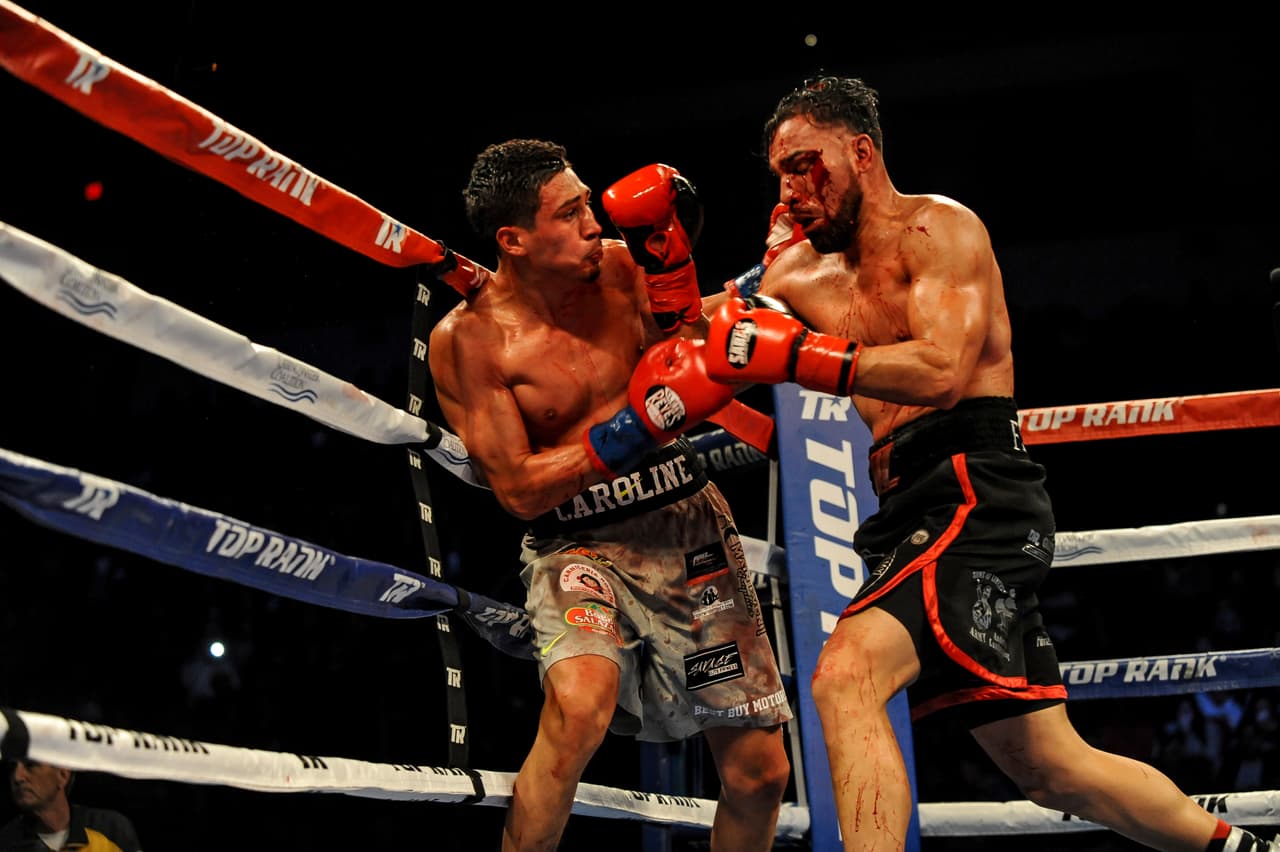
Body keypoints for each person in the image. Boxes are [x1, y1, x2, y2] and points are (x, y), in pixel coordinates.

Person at [701, 75, 1277, 852]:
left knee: (845, 676)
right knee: (1052, 769)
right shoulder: (794, 275)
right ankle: (1245, 847)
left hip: (975, 488)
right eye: (778, 173)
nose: (790, 188)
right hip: (903, 506)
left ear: (861, 153)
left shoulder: (940, 232)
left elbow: (941, 371)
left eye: (806, 164)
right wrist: (665, 273)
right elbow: (689, 342)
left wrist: (803, 355)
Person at [427, 138, 792, 852]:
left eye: (589, 203)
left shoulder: (623, 270)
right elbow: (519, 490)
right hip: (578, 547)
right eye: (571, 213)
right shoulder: (469, 342)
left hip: (689, 535)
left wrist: (740, 287)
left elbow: (692, 357)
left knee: (759, 775)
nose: (596, 223)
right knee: (578, 708)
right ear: (514, 239)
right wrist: (629, 431)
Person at [0, 758, 141, 852]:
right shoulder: (6, 843)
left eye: (31, 765)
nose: (17, 777)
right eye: (12, 767)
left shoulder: (112, 828)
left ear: (63, 775)